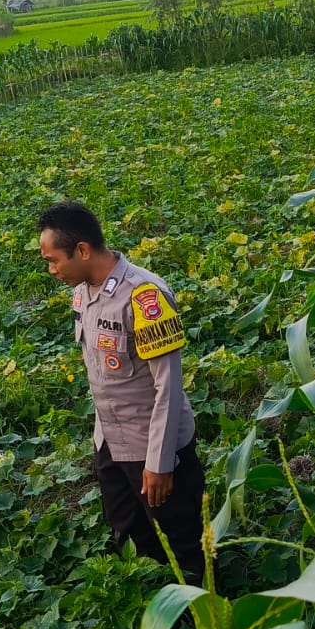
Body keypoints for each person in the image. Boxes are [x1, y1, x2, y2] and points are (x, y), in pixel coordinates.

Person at [37, 201, 205, 584]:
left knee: (183, 548)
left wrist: (159, 463)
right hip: (112, 445)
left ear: (82, 251)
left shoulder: (144, 296)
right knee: (131, 540)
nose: (51, 270)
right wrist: (102, 446)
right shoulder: (82, 293)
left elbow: (168, 387)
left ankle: (205, 624)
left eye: (53, 260)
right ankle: (158, 622)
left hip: (154, 451)